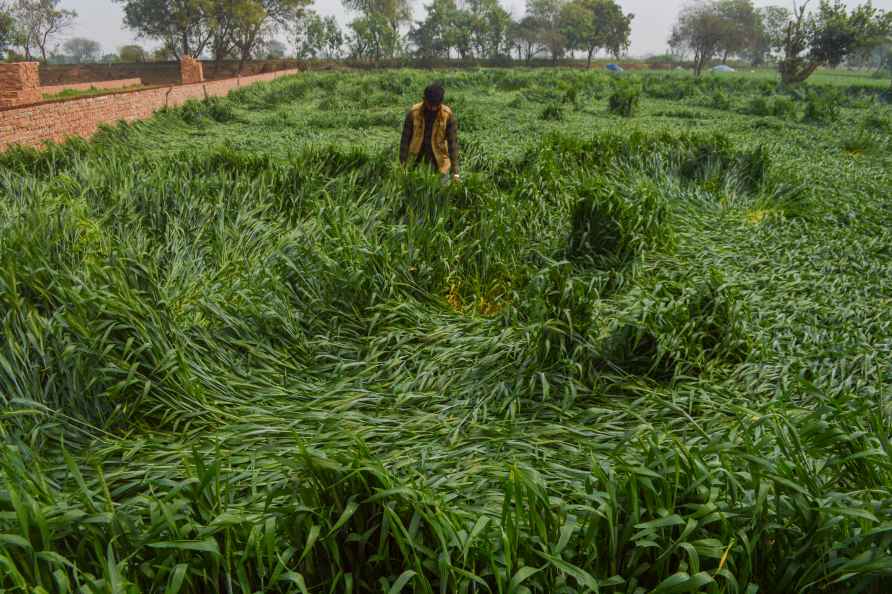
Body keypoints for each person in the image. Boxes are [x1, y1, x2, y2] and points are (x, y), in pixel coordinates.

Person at [399, 82, 460, 183]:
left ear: (441, 101)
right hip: (415, 162)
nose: (433, 108)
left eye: (436, 105)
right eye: (430, 104)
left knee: (442, 193)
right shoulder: (413, 113)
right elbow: (405, 140)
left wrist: (455, 172)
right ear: (424, 99)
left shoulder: (447, 115)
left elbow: (452, 144)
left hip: (440, 163)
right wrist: (403, 165)